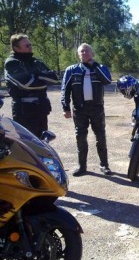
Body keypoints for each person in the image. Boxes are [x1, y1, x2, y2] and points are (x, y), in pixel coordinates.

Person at [61, 43, 112, 176]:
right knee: (80, 138)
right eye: (81, 52)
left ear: (92, 53)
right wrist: (66, 108)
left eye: (87, 51)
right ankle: (82, 167)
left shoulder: (100, 68)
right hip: (79, 110)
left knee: (101, 137)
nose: (84, 53)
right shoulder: (71, 70)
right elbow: (65, 90)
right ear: (78, 55)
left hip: (97, 109)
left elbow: (107, 80)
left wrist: (95, 66)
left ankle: (104, 165)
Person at [4, 34, 59, 138]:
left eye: (30, 44)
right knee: (28, 144)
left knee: (43, 143)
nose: (30, 47)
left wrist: (35, 75)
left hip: (41, 109)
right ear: (16, 48)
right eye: (27, 45)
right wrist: (41, 76)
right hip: (24, 111)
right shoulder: (12, 63)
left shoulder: (36, 61)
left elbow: (54, 78)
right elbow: (26, 84)